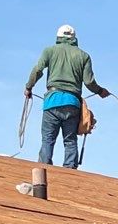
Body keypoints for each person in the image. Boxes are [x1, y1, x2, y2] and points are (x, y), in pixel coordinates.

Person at [25, 25, 110, 169]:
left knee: (48, 139)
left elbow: (38, 69)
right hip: (72, 103)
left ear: (58, 37)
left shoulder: (50, 51)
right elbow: (89, 82)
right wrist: (100, 91)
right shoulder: (83, 56)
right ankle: (70, 170)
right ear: (74, 38)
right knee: (70, 140)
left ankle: (44, 169)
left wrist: (29, 87)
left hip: (52, 101)